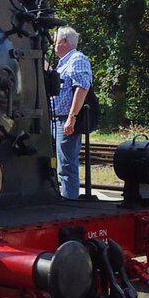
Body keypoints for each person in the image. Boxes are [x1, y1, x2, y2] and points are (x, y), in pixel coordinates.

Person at [50, 26, 92, 198]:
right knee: (55, 163)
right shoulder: (63, 63)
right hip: (54, 119)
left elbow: (82, 87)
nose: (53, 44)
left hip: (64, 120)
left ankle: (70, 200)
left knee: (66, 165)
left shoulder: (77, 59)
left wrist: (71, 117)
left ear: (64, 41)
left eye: (55, 40)